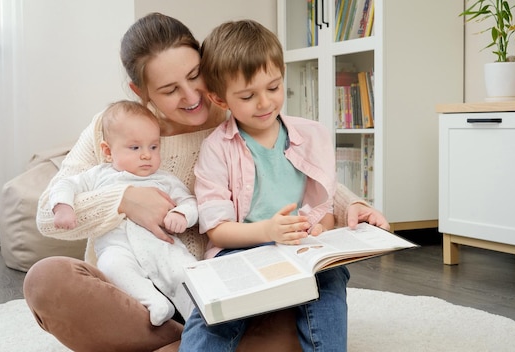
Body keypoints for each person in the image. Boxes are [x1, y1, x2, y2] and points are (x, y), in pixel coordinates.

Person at [23, 12, 389, 352]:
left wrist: (353, 206)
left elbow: (299, 173)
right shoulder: (116, 125)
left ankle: (172, 343)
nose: (192, 95)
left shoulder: (239, 115)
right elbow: (47, 214)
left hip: (221, 290)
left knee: (292, 303)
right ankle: (173, 338)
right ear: (141, 92)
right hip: (132, 295)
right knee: (47, 282)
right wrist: (124, 199)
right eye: (169, 89)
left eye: (195, 75)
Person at [179, 19, 348, 351]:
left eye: (273, 87)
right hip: (240, 249)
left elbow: (323, 208)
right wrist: (269, 231)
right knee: (213, 312)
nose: (265, 103)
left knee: (331, 280)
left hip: (299, 248)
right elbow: (217, 230)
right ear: (220, 98)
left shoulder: (312, 135)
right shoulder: (217, 147)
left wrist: (318, 231)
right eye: (247, 95)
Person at [48, 100, 197, 326]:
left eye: (153, 147)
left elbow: (189, 202)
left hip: (162, 247)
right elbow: (64, 185)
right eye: (135, 148)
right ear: (108, 151)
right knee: (111, 266)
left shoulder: (164, 179)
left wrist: (182, 215)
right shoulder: (98, 176)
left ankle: (198, 322)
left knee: (184, 272)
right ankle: (155, 302)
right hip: (118, 248)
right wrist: (63, 207)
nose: (146, 155)